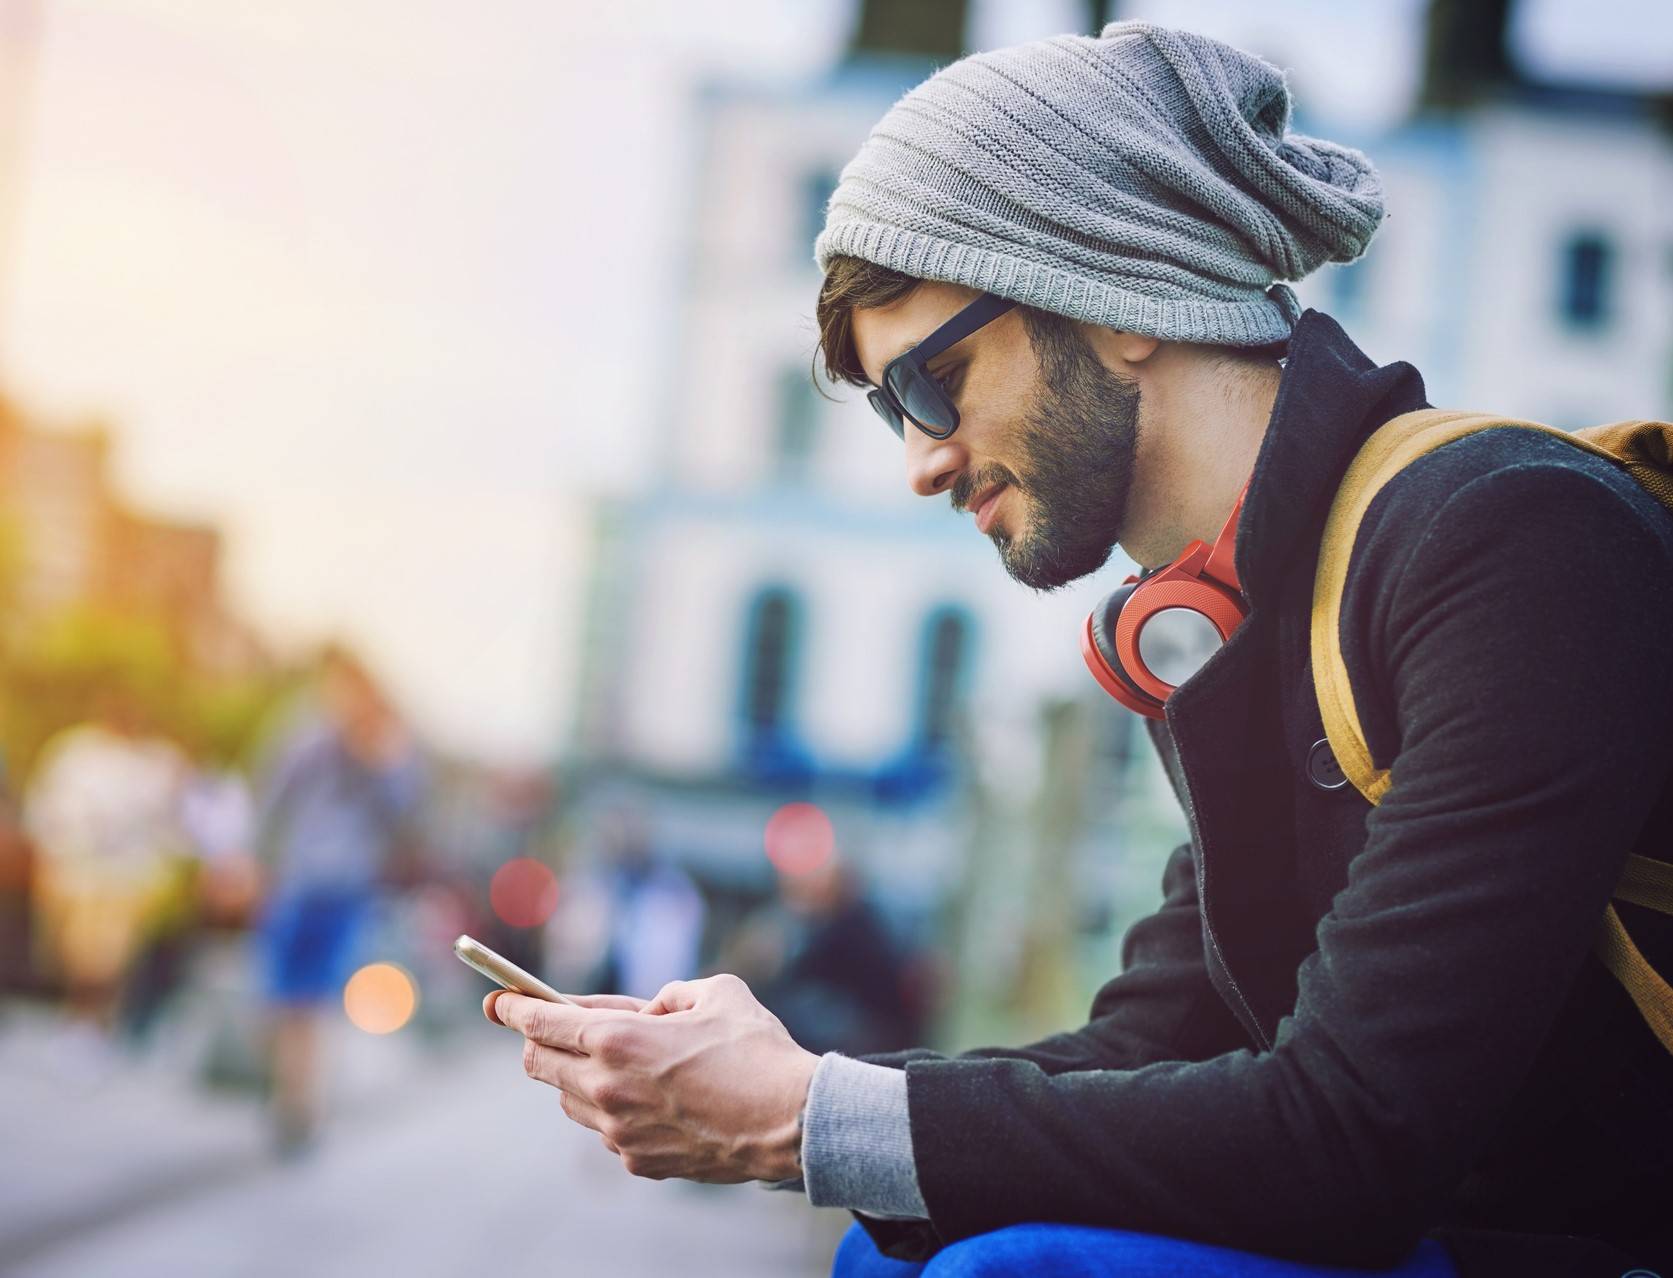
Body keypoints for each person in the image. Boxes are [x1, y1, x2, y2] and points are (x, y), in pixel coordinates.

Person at [482, 21, 1673, 1277]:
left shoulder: (1507, 536)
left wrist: (801, 1120)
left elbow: (1355, 1133)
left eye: (933, 384)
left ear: (1112, 299)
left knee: (1017, 1271)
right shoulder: (1253, 605)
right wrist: (783, 1084)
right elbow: (1154, 1044)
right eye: (894, 411)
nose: (919, 461)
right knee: (894, 1253)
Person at [252, 645, 424, 1155]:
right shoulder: (305, 732)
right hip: (297, 881)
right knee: (280, 995)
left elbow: (405, 813)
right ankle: (286, 1091)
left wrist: (379, 759)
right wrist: (255, 862)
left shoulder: (387, 746)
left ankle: (302, 1104)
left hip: (346, 889)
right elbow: (272, 798)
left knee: (318, 998)